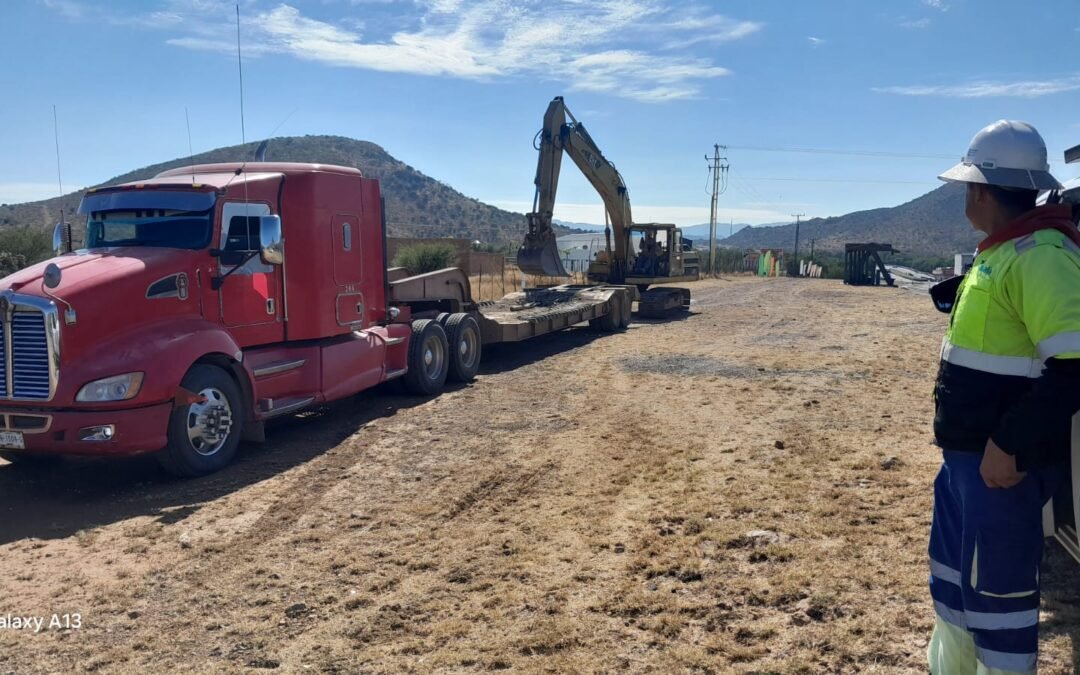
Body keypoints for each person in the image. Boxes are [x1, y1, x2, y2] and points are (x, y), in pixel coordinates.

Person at [928, 120, 1080, 673]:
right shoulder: (1003, 252)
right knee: (955, 588)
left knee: (998, 606)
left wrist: (1007, 445)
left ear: (981, 191)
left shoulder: (1040, 255)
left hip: (998, 469)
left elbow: (1074, 367)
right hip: (968, 463)